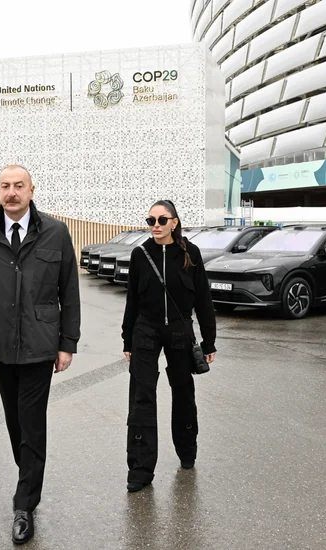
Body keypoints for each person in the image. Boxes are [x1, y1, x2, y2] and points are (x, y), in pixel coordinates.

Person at [0, 164, 81, 545]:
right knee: (15, 422)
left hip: (41, 344)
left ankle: (24, 503)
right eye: (5, 186)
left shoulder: (55, 233)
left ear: (31, 190)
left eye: (19, 186)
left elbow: (70, 291)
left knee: (31, 419)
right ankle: (29, 472)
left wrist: (67, 343)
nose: (12, 192)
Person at [121, 200, 216, 493]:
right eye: (151, 221)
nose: (156, 226)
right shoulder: (140, 255)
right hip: (145, 330)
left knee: (183, 392)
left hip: (179, 329)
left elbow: (203, 299)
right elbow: (132, 300)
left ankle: (187, 450)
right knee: (142, 397)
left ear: (175, 222)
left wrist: (209, 340)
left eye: (162, 220)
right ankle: (140, 468)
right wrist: (127, 339)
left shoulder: (190, 253)